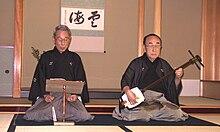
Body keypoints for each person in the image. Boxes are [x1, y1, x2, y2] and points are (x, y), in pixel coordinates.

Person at [24, 25, 94, 122]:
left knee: (83, 115)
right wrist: (45, 95)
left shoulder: (75, 58)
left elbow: (80, 79)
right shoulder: (46, 57)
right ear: (53, 39)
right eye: (59, 39)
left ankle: (55, 114)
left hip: (69, 97)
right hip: (51, 97)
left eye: (66, 39)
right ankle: (57, 114)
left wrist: (75, 95)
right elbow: (39, 78)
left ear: (70, 40)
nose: (63, 43)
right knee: (31, 115)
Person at [112, 34, 188, 122]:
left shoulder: (164, 64)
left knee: (177, 114)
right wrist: (128, 91)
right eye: (150, 45)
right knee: (134, 114)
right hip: (141, 100)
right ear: (144, 48)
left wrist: (178, 77)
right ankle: (152, 114)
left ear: (160, 48)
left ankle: (149, 115)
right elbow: (126, 80)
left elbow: (172, 86)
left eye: (157, 45)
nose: (154, 49)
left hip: (159, 100)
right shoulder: (137, 63)